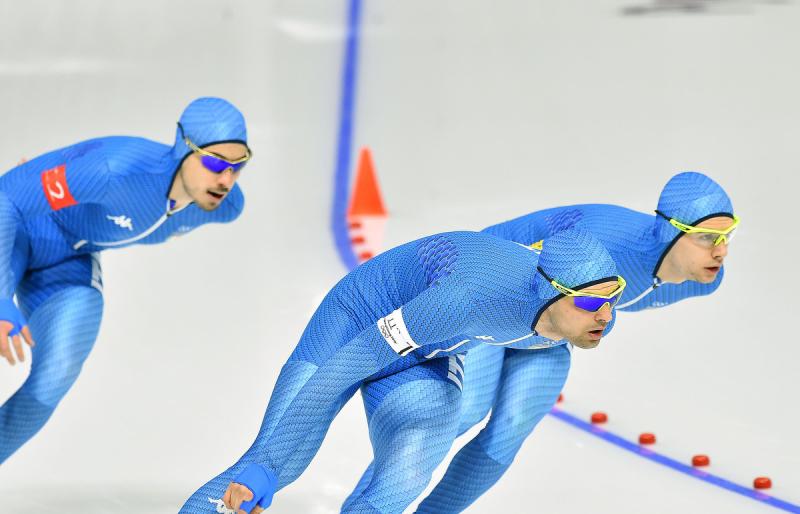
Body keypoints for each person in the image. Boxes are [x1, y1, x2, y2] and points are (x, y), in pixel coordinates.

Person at [344, 171, 737, 514]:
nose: (721, 251)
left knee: (510, 429)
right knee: (465, 410)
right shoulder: (606, 240)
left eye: (728, 234)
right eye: (708, 237)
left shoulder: (701, 282)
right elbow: (488, 252)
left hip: (547, 338)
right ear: (671, 229)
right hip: (497, 314)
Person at [181, 228, 626, 514]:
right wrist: (267, 464)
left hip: (425, 355)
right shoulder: (465, 298)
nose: (605, 316)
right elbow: (349, 365)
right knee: (271, 463)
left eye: (614, 298)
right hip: (354, 324)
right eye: (590, 303)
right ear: (547, 289)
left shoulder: (576, 319)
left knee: (405, 475)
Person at [0, 97, 251, 464]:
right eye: (215, 162)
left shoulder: (223, 207)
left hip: (68, 261)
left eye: (238, 165)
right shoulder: (113, 172)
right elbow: (8, 197)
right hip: (21, 232)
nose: (226, 179)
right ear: (184, 149)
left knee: (55, 376)